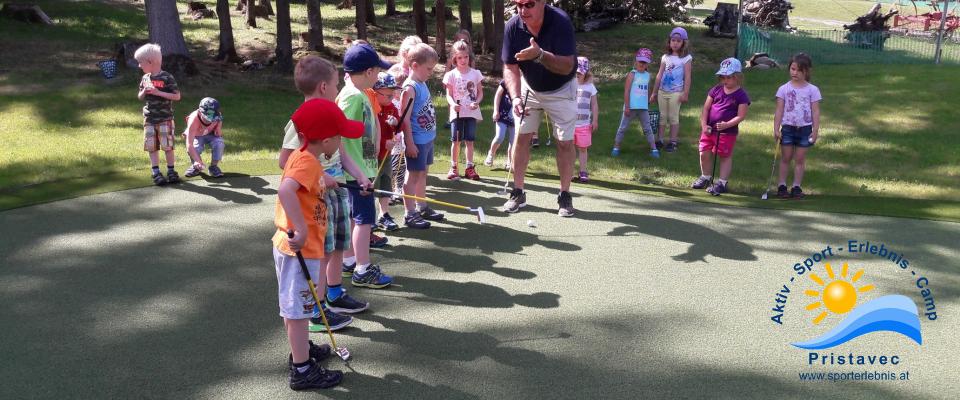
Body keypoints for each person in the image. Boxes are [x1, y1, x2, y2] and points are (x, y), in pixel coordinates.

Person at [273, 98, 365, 391]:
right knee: (298, 310)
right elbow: (286, 189)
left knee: (296, 306)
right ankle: (301, 369)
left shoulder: (304, 158)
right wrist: (299, 228)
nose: (341, 142)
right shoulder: (308, 163)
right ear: (327, 141)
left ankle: (302, 351)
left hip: (298, 248)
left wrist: (324, 181)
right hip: (301, 248)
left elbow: (300, 184)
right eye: (339, 137)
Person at [279, 55, 371, 332]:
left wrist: (359, 175)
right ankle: (317, 310)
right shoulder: (301, 123)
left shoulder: (332, 115)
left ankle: (333, 293)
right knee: (321, 251)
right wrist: (323, 176)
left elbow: (342, 154)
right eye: (334, 84)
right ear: (323, 87)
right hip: (316, 198)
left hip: (338, 193)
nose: (337, 88)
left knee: (337, 247)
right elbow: (285, 162)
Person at [501, 0, 579, 217]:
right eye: (518, 4)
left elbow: (567, 66)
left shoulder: (560, 22)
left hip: (561, 89)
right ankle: (518, 192)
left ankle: (564, 195)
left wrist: (540, 55)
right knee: (521, 137)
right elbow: (509, 66)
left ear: (543, 2)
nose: (522, 10)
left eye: (529, 4)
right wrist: (515, 97)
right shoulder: (512, 26)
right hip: (529, 89)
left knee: (564, 142)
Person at [337, 43, 395, 289]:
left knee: (355, 218)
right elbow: (339, 133)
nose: (379, 75)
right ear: (369, 71)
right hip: (356, 172)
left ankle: (349, 261)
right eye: (377, 71)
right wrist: (359, 172)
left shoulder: (360, 95)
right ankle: (362, 268)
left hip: (361, 170)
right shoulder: (353, 97)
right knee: (364, 220)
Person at [691, 58, 751, 196]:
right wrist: (704, 125)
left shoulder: (741, 95)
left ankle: (722, 182)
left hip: (727, 132)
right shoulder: (716, 90)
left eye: (729, 77)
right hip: (709, 129)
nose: (725, 81)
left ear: (737, 77)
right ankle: (705, 177)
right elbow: (706, 109)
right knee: (704, 153)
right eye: (723, 77)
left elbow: (741, 116)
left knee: (724, 156)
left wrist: (727, 125)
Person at [400, 43, 444, 229]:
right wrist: (409, 142)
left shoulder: (422, 82)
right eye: (428, 69)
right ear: (415, 65)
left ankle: (422, 205)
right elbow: (405, 118)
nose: (430, 72)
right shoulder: (410, 88)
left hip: (427, 139)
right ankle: (410, 213)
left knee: (423, 173)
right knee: (413, 175)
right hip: (416, 141)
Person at [774, 53, 821, 199]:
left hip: (805, 129)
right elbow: (779, 110)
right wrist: (776, 128)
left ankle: (796, 186)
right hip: (787, 128)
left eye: (799, 70)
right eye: (793, 69)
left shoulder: (812, 90)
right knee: (786, 157)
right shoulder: (784, 89)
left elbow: (815, 111)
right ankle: (782, 186)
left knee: (800, 159)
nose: (795, 72)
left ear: (807, 71)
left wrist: (815, 129)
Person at [135, 43, 182, 186]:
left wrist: (158, 92)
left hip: (165, 119)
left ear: (150, 62)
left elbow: (177, 96)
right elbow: (140, 97)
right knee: (152, 146)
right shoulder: (145, 78)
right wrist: (145, 92)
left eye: (140, 62)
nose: (139, 66)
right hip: (149, 119)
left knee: (167, 146)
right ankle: (156, 172)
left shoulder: (167, 77)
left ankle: (171, 171)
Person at [443, 39, 484, 181]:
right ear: (455, 58)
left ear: (469, 56)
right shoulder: (451, 75)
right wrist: (453, 104)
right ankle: (453, 167)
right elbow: (448, 95)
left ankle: (469, 167)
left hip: (471, 112)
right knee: (456, 140)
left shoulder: (475, 73)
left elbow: (480, 93)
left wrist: (477, 103)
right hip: (457, 113)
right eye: (460, 57)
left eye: (465, 57)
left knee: (470, 140)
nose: (463, 60)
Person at [650, 27, 693, 153]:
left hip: (676, 92)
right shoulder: (665, 57)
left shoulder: (686, 58)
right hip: (662, 91)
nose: (675, 43)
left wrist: (685, 93)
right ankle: (660, 140)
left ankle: (673, 141)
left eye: (678, 41)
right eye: (673, 40)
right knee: (662, 116)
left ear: (683, 43)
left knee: (673, 117)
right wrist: (654, 92)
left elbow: (688, 76)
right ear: (669, 42)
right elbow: (659, 75)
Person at [612, 48, 658, 158]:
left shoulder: (647, 75)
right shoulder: (632, 74)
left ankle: (654, 148)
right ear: (636, 61)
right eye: (640, 61)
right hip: (631, 107)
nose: (642, 64)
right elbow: (627, 90)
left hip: (643, 108)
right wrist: (627, 106)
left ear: (648, 64)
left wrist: (648, 101)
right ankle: (616, 146)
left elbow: (647, 89)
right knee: (623, 128)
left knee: (647, 128)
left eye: (644, 62)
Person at [373, 72, 402, 231]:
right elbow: (369, 135)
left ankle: (383, 214)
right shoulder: (372, 109)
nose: (392, 98)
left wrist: (396, 122)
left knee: (386, 183)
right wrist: (384, 143)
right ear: (376, 92)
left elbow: (399, 125)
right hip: (373, 156)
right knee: (372, 186)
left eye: (393, 94)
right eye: (388, 95)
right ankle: (370, 216)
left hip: (387, 155)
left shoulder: (391, 107)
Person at [183, 97, 225, 178]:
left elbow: (220, 118)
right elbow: (189, 145)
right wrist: (197, 161)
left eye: (213, 115)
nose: (210, 118)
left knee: (219, 144)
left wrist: (218, 128)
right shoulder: (193, 120)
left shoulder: (217, 115)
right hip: (197, 136)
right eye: (207, 115)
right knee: (195, 148)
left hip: (210, 133)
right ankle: (196, 166)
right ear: (200, 111)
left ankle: (213, 167)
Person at [573, 57, 598, 183]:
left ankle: (583, 171)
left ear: (585, 73)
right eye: (575, 72)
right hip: (570, 124)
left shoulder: (590, 87)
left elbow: (594, 105)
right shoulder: (570, 85)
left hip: (584, 124)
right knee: (570, 148)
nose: (577, 75)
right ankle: (570, 171)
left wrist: (595, 120)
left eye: (579, 73)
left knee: (583, 148)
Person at [484, 79, 514, 170]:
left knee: (513, 142)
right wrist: (495, 110)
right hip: (502, 115)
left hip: (516, 117)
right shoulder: (507, 80)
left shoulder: (526, 83)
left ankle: (509, 161)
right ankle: (491, 154)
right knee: (499, 137)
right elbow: (498, 95)